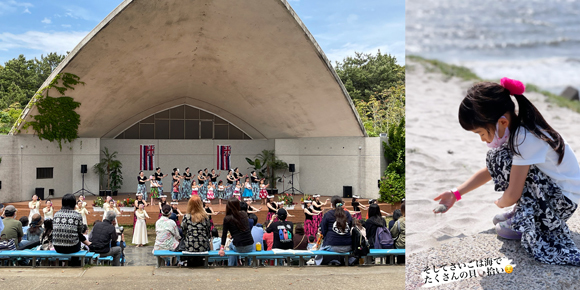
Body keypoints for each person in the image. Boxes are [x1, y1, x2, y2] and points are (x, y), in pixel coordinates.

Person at [433, 78, 580, 265]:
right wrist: (456, 193)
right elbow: (490, 171)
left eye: (480, 133)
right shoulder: (519, 129)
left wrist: (502, 202)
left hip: (562, 202)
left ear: (502, 121)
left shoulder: (524, 138)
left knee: (500, 160)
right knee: (499, 157)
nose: (481, 139)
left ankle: (528, 218)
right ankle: (523, 213)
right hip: (557, 191)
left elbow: (513, 193)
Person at [53, 194, 91, 265]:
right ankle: (74, 264)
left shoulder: (56, 214)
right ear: (74, 204)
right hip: (72, 247)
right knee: (76, 239)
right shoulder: (77, 215)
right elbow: (79, 232)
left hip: (57, 247)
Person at [316, 196, 353, 265]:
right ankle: (348, 259)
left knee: (322, 247)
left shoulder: (328, 214)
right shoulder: (347, 214)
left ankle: (325, 261)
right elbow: (350, 227)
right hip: (348, 245)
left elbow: (323, 230)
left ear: (332, 204)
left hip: (332, 245)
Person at [180, 195, 211, 267]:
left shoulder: (186, 217)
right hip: (203, 245)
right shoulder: (205, 217)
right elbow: (208, 231)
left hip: (190, 245)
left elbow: (183, 231)